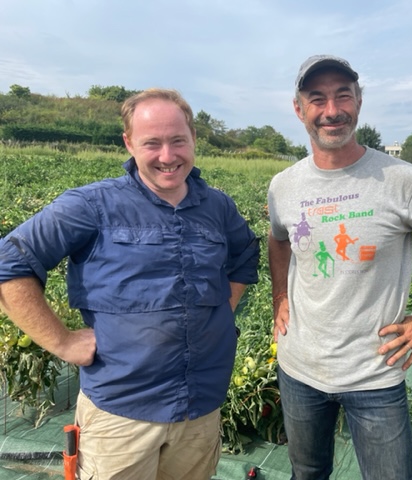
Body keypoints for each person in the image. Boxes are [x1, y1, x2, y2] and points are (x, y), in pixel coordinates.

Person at [0, 88, 260, 479]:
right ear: (128, 142)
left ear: (194, 139)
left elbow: (245, 255)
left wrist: (224, 310)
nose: (167, 156)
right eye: (152, 143)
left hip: (201, 409)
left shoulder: (217, 206)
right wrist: (62, 341)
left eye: (178, 141)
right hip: (121, 414)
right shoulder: (91, 205)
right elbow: (11, 262)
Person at [267, 55, 412, 479]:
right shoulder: (284, 186)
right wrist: (280, 297)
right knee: (307, 472)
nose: (332, 110)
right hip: (300, 370)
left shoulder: (404, 180)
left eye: (343, 95)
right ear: (299, 108)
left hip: (375, 374)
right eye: (317, 98)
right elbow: (278, 239)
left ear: (359, 101)